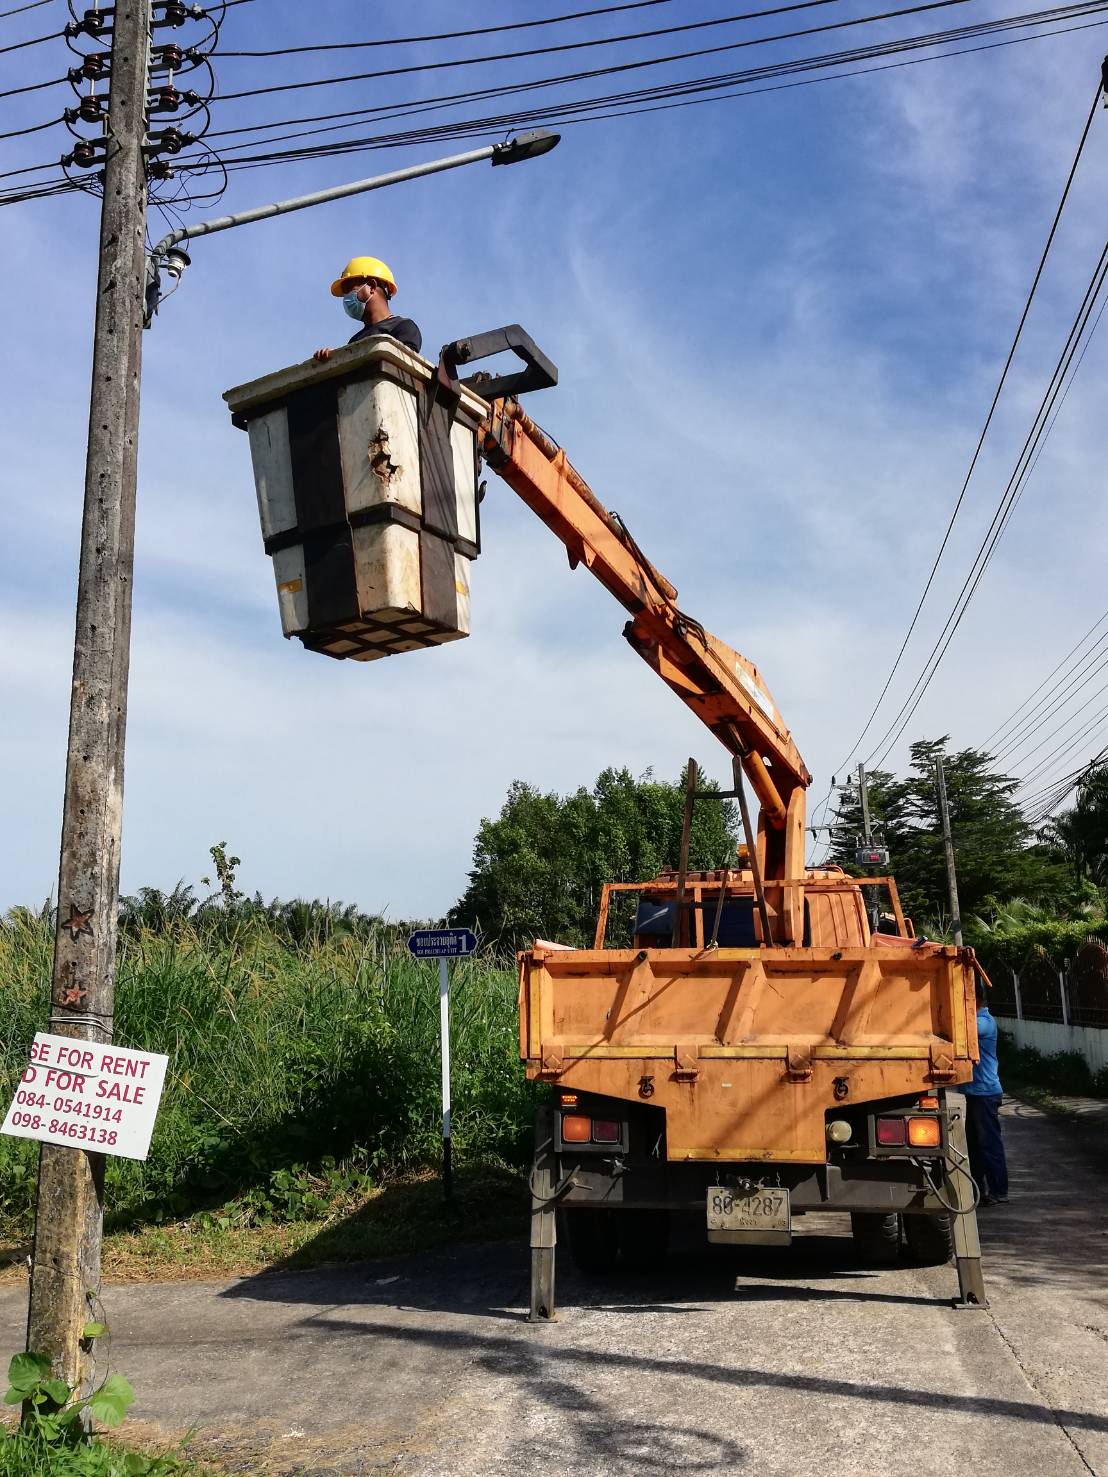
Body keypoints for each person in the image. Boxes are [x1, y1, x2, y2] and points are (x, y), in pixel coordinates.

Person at [312, 255, 422, 362]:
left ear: (372, 287)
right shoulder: (355, 340)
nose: (346, 298)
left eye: (350, 290)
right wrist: (334, 359)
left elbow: (402, 367)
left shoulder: (403, 327)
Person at [964, 978, 1009, 1206]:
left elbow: (962, 1031)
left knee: (989, 1144)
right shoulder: (980, 1020)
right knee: (974, 1146)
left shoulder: (984, 1022)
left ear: (975, 1001)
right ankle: (979, 1191)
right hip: (975, 1094)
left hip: (985, 1094)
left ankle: (999, 1191)